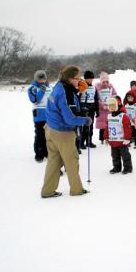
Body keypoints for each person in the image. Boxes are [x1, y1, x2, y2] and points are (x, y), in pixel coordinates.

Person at [41, 65, 91, 198]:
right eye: (77, 78)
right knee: (72, 162)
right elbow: (70, 119)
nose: (79, 80)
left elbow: (64, 108)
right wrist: (84, 120)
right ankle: (77, 190)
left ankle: (47, 190)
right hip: (62, 133)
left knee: (54, 162)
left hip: (51, 129)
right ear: (69, 78)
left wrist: (79, 109)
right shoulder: (65, 93)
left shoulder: (59, 86)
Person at [27, 70, 52, 162]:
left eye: (44, 79)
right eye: (40, 79)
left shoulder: (49, 87)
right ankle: (39, 153)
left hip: (49, 115)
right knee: (40, 135)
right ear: (36, 79)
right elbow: (35, 100)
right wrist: (42, 89)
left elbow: (52, 99)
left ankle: (47, 152)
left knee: (48, 135)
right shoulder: (32, 88)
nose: (42, 81)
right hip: (39, 115)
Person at [104, 96, 132, 174]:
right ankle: (116, 167)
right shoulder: (109, 116)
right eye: (110, 106)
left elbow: (127, 128)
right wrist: (106, 137)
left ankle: (128, 168)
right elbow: (107, 127)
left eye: (113, 105)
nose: (111, 107)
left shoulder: (123, 116)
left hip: (122, 141)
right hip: (113, 140)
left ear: (117, 105)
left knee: (125, 155)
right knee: (114, 155)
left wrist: (127, 138)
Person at [78, 70, 99, 149]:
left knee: (90, 125)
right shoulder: (82, 86)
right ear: (85, 79)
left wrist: (97, 110)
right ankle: (81, 142)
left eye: (92, 78)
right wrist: (80, 107)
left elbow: (96, 99)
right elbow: (78, 97)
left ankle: (89, 141)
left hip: (91, 108)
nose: (91, 80)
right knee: (84, 126)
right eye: (89, 78)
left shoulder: (94, 87)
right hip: (84, 107)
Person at [95, 72, 117, 144]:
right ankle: (102, 138)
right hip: (101, 109)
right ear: (101, 81)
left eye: (106, 82)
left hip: (109, 109)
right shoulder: (98, 88)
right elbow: (97, 98)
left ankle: (109, 137)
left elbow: (114, 95)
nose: (105, 83)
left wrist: (111, 104)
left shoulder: (111, 88)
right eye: (103, 82)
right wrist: (102, 105)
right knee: (102, 125)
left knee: (109, 124)